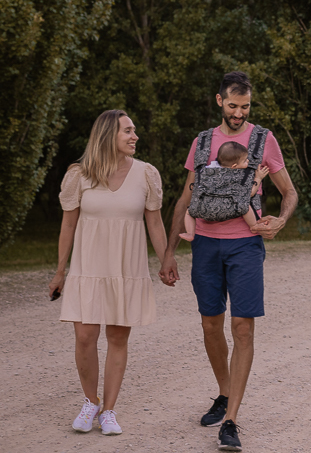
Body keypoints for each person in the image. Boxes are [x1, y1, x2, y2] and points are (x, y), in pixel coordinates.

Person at [160, 71, 298, 452]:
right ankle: (223, 393)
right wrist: (170, 251)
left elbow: (289, 191)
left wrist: (282, 219)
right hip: (204, 244)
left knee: (242, 327)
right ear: (219, 101)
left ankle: (232, 420)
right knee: (209, 324)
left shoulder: (263, 139)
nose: (239, 113)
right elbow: (184, 199)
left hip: (245, 246)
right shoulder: (203, 141)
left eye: (246, 106)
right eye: (233, 106)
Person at [49, 110, 173, 436]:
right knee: (85, 337)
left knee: (118, 337)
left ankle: (109, 411)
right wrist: (60, 271)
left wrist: (166, 260)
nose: (135, 137)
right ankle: (91, 401)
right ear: (108, 136)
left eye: (134, 131)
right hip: (87, 268)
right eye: (128, 131)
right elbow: (68, 225)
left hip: (126, 267)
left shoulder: (146, 174)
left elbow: (155, 224)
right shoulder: (80, 175)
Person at [179, 142, 270, 241]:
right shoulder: (237, 176)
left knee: (189, 212)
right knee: (245, 206)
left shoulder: (208, 170)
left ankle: (190, 233)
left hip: (206, 207)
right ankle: (253, 226)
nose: (248, 161)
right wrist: (258, 178)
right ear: (234, 166)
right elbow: (250, 193)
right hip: (229, 208)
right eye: (244, 161)